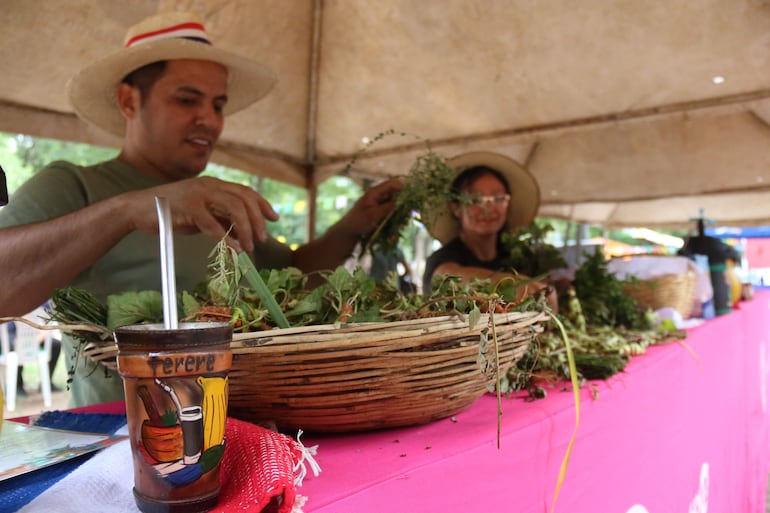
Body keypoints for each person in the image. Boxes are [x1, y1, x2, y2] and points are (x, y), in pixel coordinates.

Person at [0, 12, 400, 407]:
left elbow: (295, 277)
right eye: (187, 99)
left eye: (219, 105)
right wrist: (131, 210)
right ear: (128, 100)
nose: (209, 120)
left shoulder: (210, 199)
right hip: (130, 447)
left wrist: (352, 226)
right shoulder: (75, 186)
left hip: (245, 432)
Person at [422, 151, 556, 309]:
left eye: (498, 198)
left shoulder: (517, 259)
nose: (488, 207)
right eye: (475, 199)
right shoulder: (444, 258)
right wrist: (514, 285)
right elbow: (446, 277)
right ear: (456, 208)